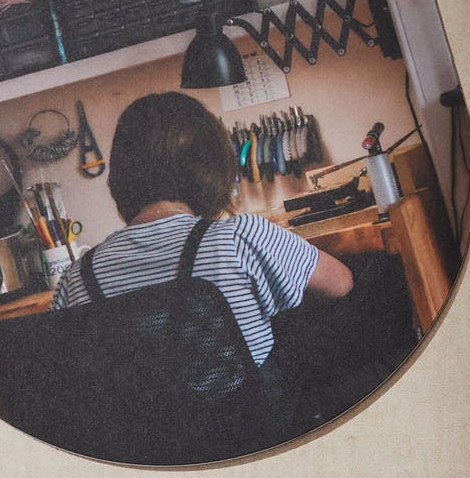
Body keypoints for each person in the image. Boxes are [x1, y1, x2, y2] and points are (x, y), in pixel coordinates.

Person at [52, 88, 350, 358]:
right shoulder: (240, 237)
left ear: (120, 177)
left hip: (145, 420)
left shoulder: (77, 278)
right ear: (212, 170)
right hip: (252, 416)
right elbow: (341, 283)